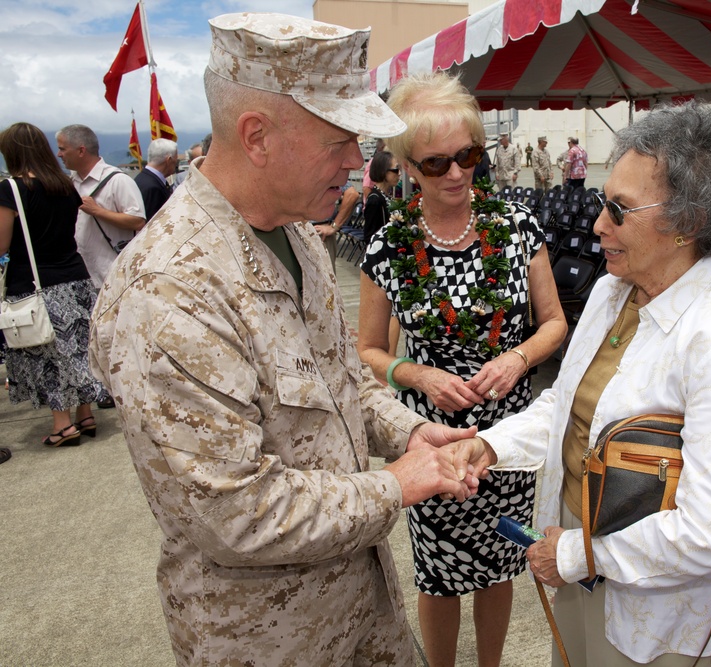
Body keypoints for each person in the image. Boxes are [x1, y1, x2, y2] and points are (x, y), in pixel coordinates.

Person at [87, 14, 479, 666]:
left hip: (362, 608)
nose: (359, 162)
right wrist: (398, 485)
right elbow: (234, 512)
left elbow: (340, 378)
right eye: (338, 141)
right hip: (268, 639)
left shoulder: (297, 231)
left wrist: (410, 434)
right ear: (257, 137)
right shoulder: (168, 293)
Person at [454, 101, 711, 666]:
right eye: (601, 203)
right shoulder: (614, 292)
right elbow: (569, 403)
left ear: (687, 222)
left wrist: (582, 555)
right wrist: (491, 445)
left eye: (619, 209)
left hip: (660, 594)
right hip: (582, 555)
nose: (598, 224)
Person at [358, 71, 567, 667]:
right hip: (436, 439)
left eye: (468, 156)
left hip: (507, 433)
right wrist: (418, 375)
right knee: (439, 573)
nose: (455, 174)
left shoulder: (517, 227)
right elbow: (368, 350)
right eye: (435, 163)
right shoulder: (390, 245)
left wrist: (518, 356)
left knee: (502, 560)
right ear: (406, 166)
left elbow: (554, 323)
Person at [0, 122, 105, 448]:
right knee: (78, 349)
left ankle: (62, 425)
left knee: (47, 354)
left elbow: (2, 244)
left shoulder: (11, 189)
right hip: (75, 277)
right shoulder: (65, 185)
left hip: (36, 284)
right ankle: (85, 415)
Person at [55, 124, 145, 288]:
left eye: (62, 149)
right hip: (80, 277)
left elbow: (138, 221)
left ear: (81, 151)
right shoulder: (68, 183)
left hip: (112, 275)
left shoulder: (118, 180)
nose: (59, 154)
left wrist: (97, 211)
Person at [312, 184, 360, 274]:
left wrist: (334, 226)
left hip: (318, 231)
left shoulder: (324, 170)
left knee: (325, 279)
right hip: (290, 229)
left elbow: (352, 194)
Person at [134, 138, 178, 220]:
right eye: (175, 162)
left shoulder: (142, 178)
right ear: (169, 160)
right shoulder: (152, 187)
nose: (175, 166)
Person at [363, 150, 399, 246]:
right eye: (396, 170)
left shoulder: (386, 196)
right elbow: (370, 237)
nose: (399, 173)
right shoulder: (375, 200)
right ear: (383, 171)